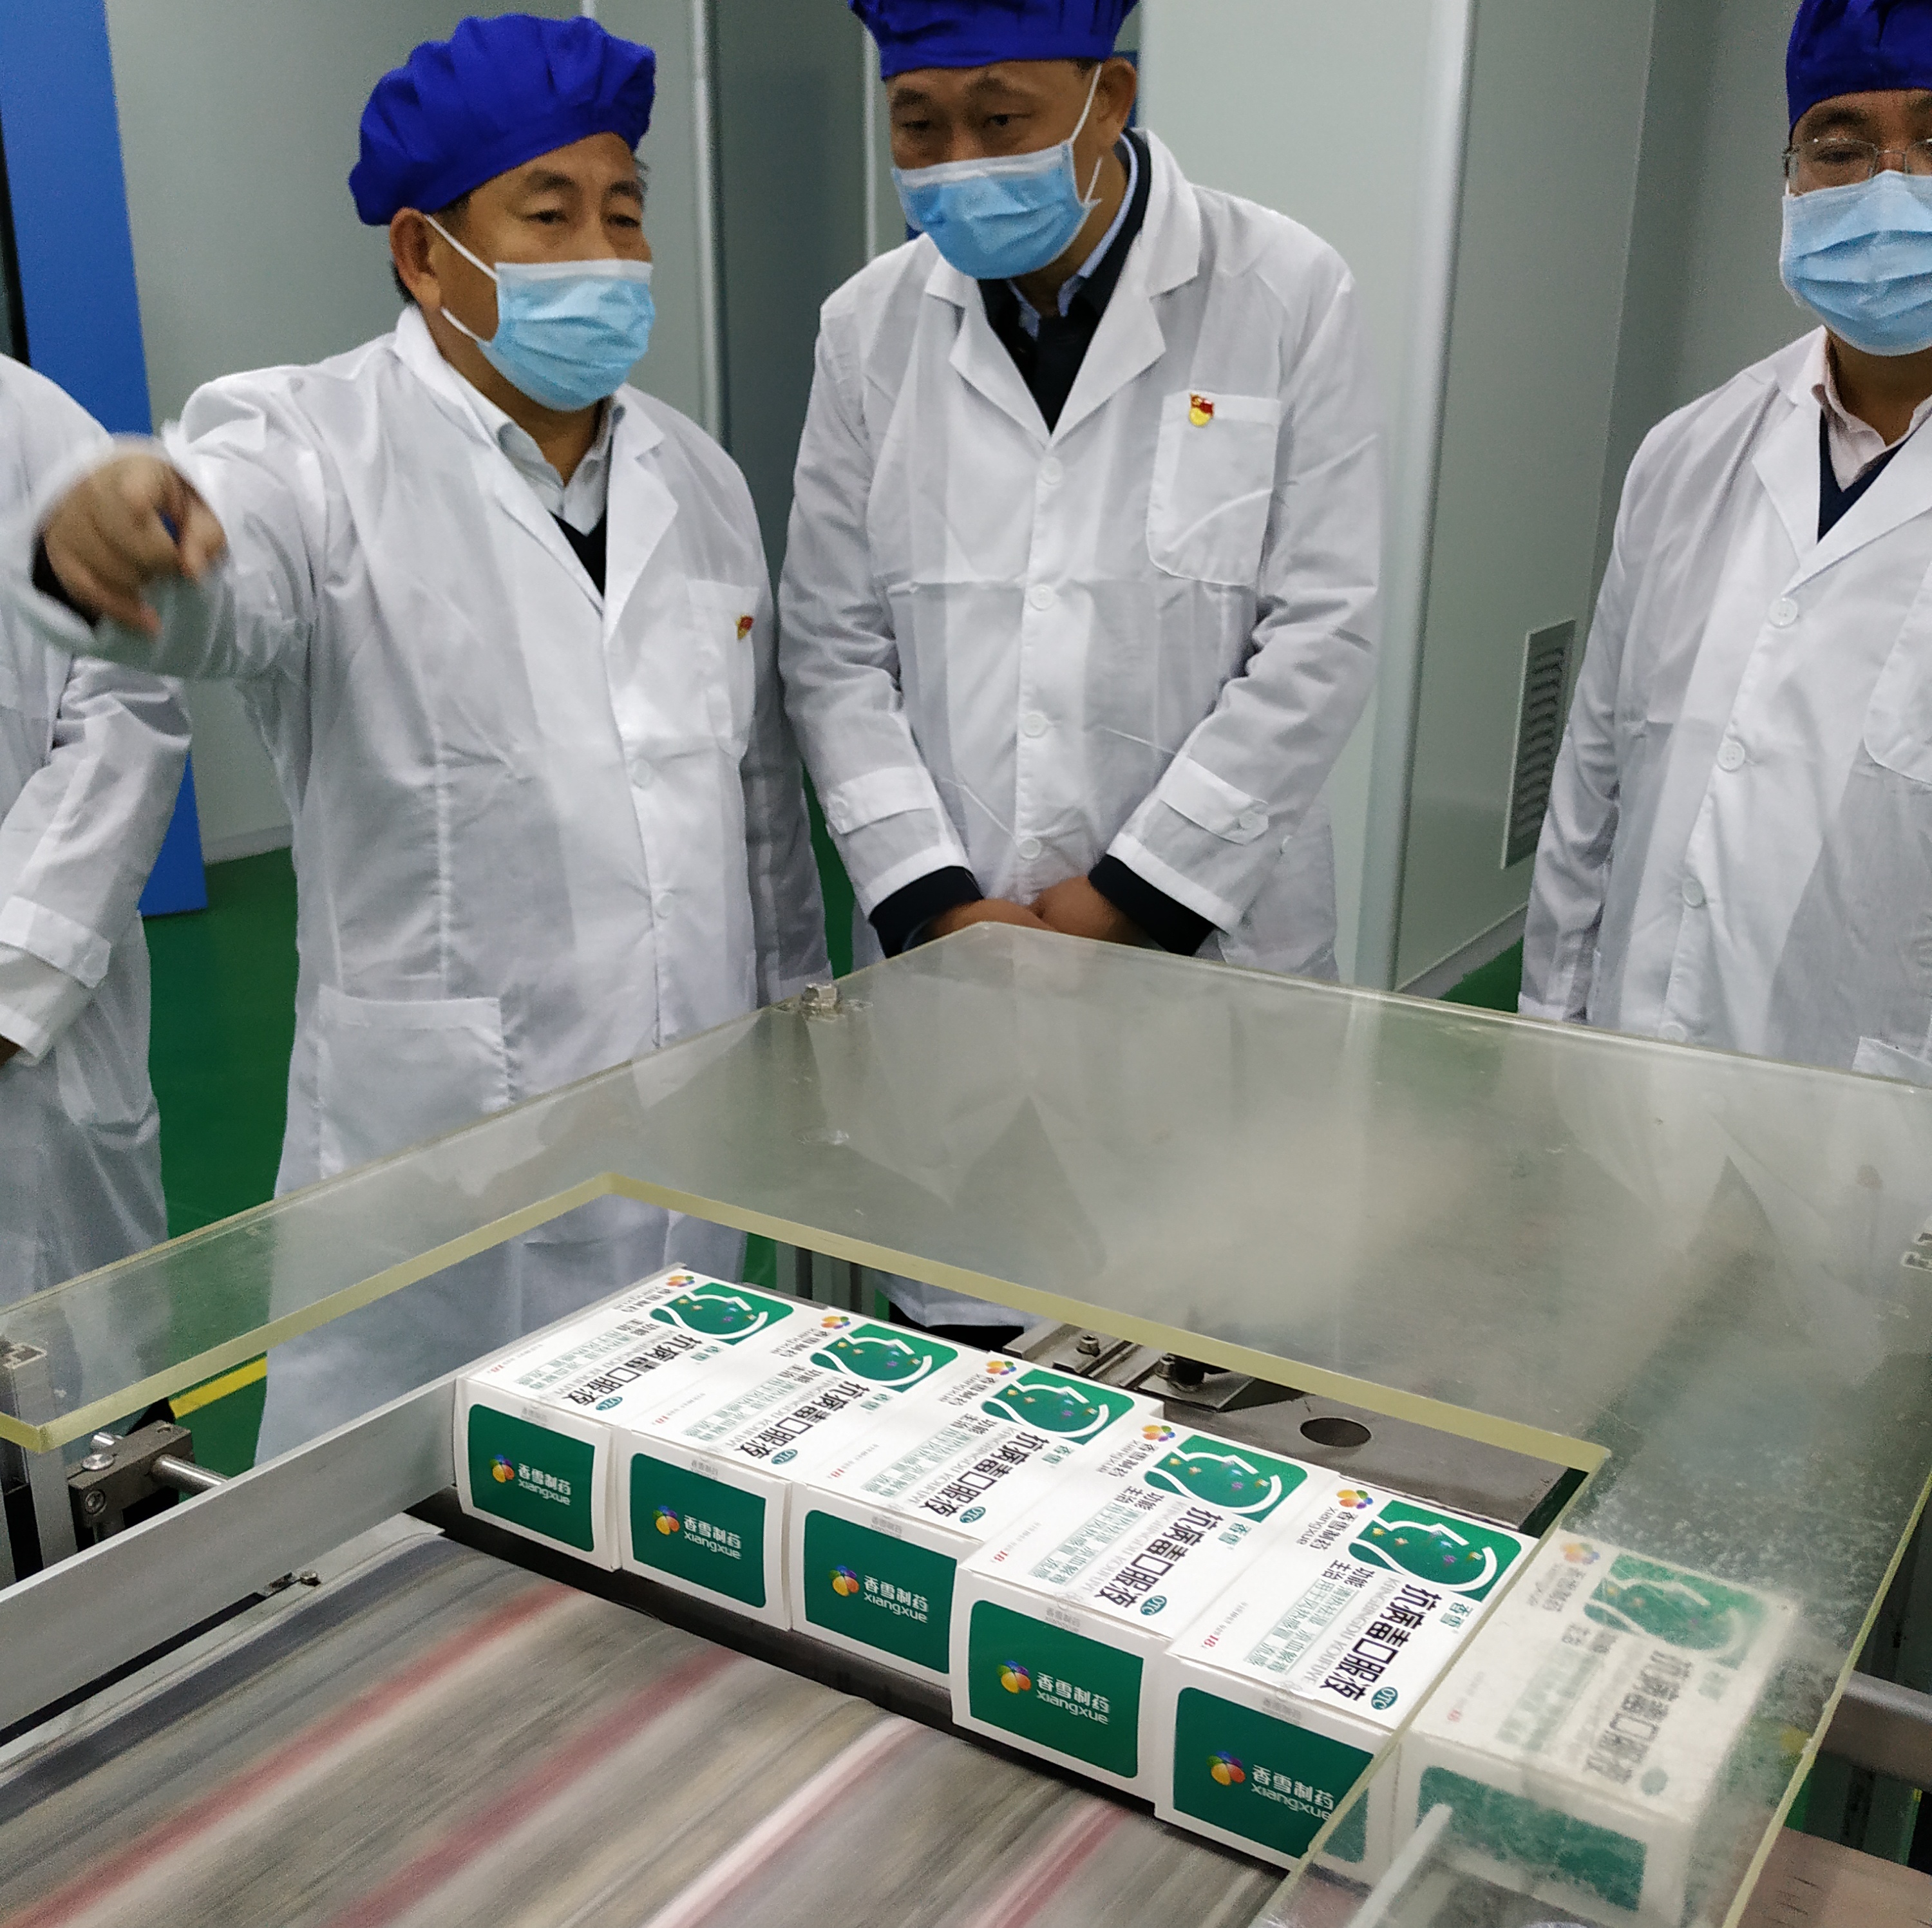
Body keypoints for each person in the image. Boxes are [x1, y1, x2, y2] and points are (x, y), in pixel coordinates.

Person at [23, 15, 826, 1452]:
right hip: (443, 1153)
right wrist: (123, 525)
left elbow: (758, 803)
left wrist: (802, 1030)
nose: (604, 253)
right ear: (424, 253)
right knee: (407, 1508)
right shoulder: (312, 444)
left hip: (692, 1116)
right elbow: (218, 561)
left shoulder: (698, 477)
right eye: (549, 213)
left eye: (624, 211)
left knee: (670, 1485)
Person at [781, 0, 1380, 1338]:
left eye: (1000, 119)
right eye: (918, 125)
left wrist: (1128, 902)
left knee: (1212, 1347)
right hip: (960, 945)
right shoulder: (867, 326)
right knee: (970, 1354)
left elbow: (1321, 629)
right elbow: (831, 642)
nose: (958, 162)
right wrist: (936, 906)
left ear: (1108, 97)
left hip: (1199, 949)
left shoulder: (1282, 289)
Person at [1524, 0, 1932, 1080]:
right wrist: (1548, 1047)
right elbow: (1593, 793)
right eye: (1841, 148)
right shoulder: (1688, 452)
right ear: (1792, 181)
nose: (1890, 188)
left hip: (1879, 1139)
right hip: (1628, 1084)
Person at [0, 361, 187, 1316]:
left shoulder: (33, 428)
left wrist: (11, 980)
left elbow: (125, 711)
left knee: (72, 1374)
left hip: (33, 1046)